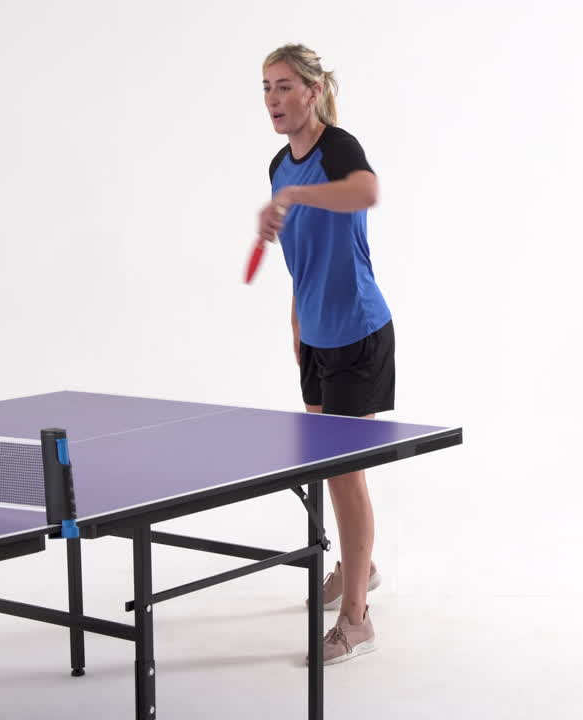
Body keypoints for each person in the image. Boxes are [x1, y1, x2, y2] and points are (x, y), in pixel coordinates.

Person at [258, 43, 392, 666]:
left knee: (345, 474)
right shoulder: (277, 166)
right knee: (332, 472)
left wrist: (297, 200)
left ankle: (356, 619)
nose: (274, 99)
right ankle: (358, 567)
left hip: (359, 333)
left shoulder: (337, 148)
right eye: (265, 88)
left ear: (312, 91)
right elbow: (301, 263)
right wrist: (296, 327)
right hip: (314, 337)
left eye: (285, 86)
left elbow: (366, 193)